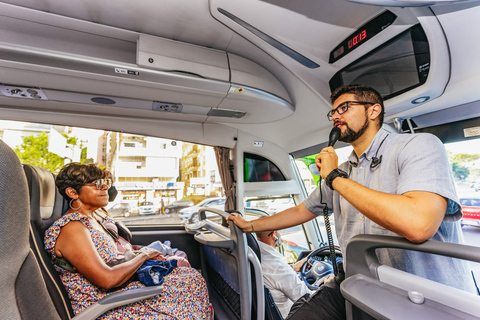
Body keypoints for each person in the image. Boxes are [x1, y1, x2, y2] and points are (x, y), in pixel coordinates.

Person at [228, 84, 476, 317]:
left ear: (373, 111)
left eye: (344, 108)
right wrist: (249, 226)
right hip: (359, 283)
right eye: (333, 111)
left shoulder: (418, 145)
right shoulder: (344, 171)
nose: (336, 115)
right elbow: (301, 211)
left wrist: (334, 177)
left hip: (426, 297)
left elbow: (419, 224)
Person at [45, 162, 212, 319]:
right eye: (95, 184)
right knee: (192, 283)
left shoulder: (93, 218)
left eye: (105, 182)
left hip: (116, 293)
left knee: (189, 276)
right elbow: (107, 280)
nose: (105, 187)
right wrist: (144, 255)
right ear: (73, 192)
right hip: (101, 304)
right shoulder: (72, 228)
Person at [255, 227, 312, 318]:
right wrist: (327, 284)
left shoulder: (256, 254)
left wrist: (292, 267)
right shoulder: (276, 264)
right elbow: (307, 299)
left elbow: (273, 274)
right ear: (274, 235)